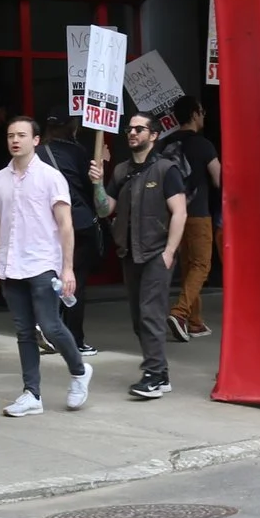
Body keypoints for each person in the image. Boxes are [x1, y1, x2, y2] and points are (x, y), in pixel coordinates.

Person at [0, 115, 91, 414]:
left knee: (50, 325)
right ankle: (32, 394)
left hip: (43, 262)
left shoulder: (50, 177)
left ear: (36, 140)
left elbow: (65, 224)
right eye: (10, 135)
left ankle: (79, 371)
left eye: (21, 135)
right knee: (23, 331)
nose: (15, 140)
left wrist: (67, 267)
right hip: (10, 264)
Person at [95, 112, 189, 398]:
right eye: (130, 129)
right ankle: (160, 372)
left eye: (139, 129)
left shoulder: (165, 169)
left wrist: (169, 252)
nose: (132, 133)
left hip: (156, 252)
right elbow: (104, 209)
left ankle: (153, 375)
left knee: (151, 313)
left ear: (154, 135)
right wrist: (98, 182)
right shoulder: (122, 171)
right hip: (129, 252)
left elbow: (180, 212)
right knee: (139, 318)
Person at [36, 115, 104, 353]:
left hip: (48, 224)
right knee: (75, 282)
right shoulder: (78, 152)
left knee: (51, 278)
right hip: (78, 223)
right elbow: (91, 188)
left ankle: (48, 326)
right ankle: (73, 338)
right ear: (71, 128)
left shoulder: (37, 154)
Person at [163, 96, 221, 340]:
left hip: (173, 215)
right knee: (201, 265)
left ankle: (195, 322)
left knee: (189, 267)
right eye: (202, 111)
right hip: (197, 213)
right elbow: (219, 179)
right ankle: (179, 312)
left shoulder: (164, 145)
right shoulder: (204, 145)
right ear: (196, 113)